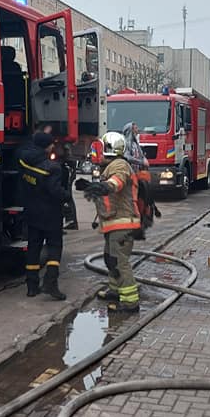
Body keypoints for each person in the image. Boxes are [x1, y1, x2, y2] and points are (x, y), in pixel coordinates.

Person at [80, 132, 141, 313]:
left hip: (122, 224)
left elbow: (117, 182)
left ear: (109, 148)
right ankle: (115, 290)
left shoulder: (120, 165)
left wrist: (103, 186)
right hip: (114, 223)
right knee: (110, 259)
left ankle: (130, 303)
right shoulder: (110, 165)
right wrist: (92, 187)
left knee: (119, 262)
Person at [19, 131, 70, 300]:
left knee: (33, 248)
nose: (53, 146)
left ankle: (31, 287)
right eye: (51, 144)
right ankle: (50, 283)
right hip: (51, 215)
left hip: (32, 213)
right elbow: (55, 191)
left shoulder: (23, 161)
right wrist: (67, 195)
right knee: (54, 247)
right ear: (46, 146)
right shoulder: (52, 168)